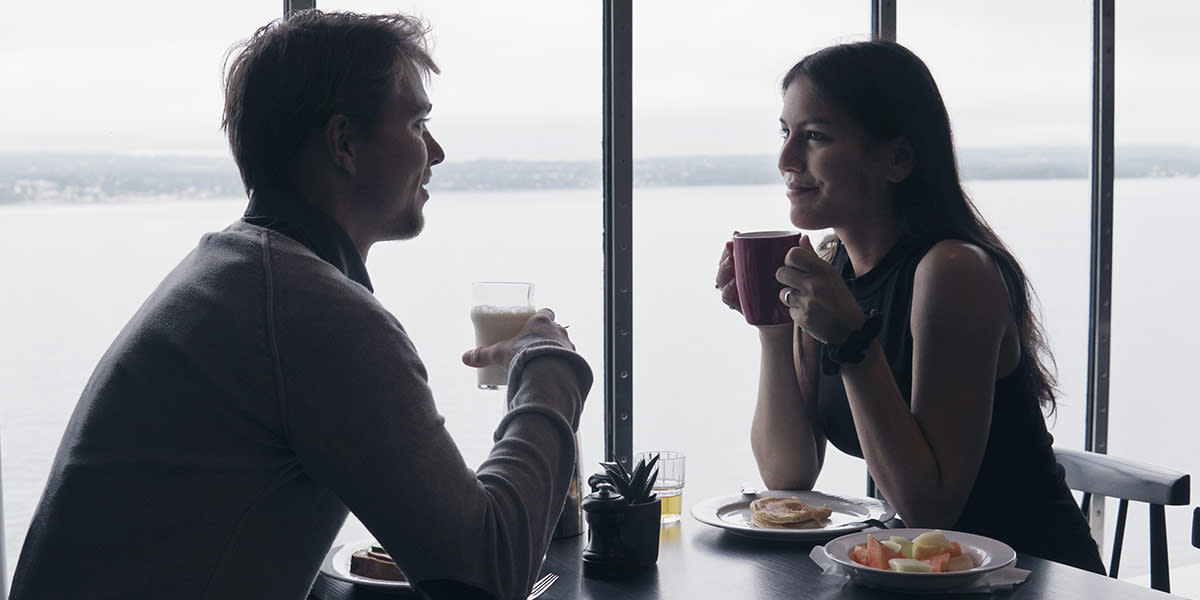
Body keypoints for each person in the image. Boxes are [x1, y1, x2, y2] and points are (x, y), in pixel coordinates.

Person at [11, 11, 591, 600]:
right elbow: (491, 572)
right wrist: (548, 366)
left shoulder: (230, 276)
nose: (436, 151)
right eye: (417, 123)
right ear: (343, 143)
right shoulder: (313, 314)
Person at [714, 40, 1105, 573]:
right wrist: (774, 323)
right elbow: (787, 475)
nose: (785, 160)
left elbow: (931, 506)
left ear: (897, 158)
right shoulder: (831, 269)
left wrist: (853, 341)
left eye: (815, 136)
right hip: (929, 578)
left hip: (1034, 576)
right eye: (785, 133)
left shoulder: (953, 271)